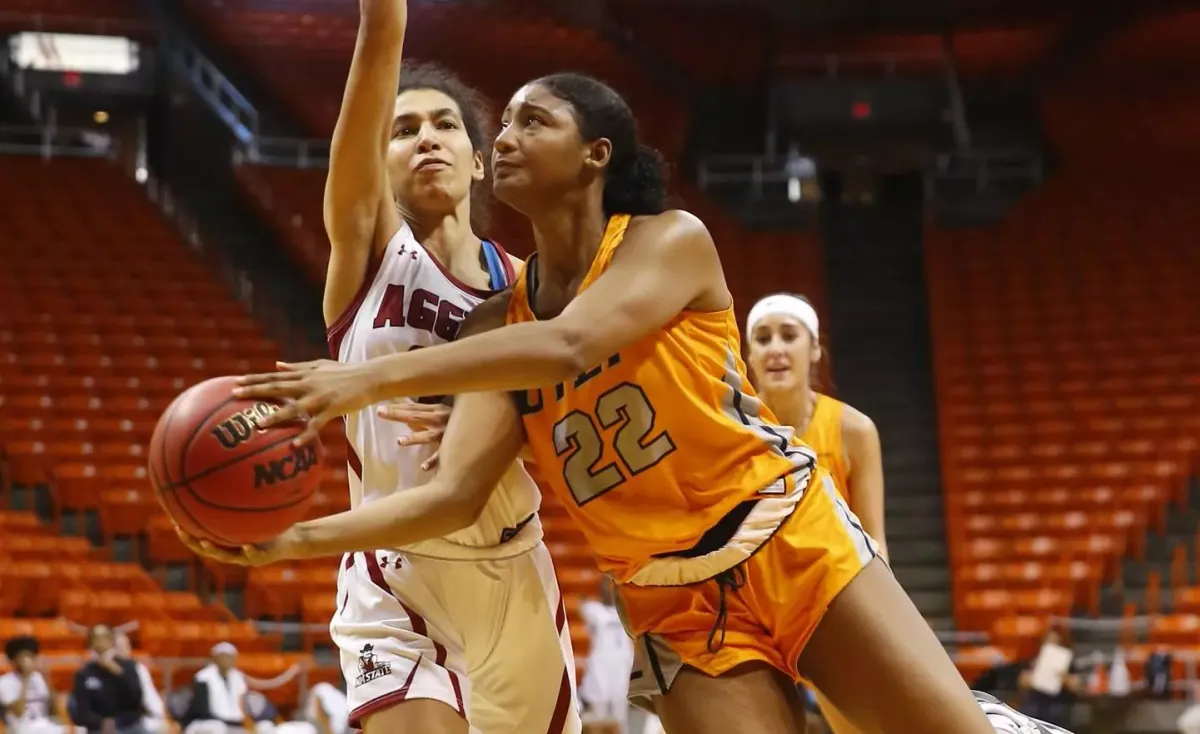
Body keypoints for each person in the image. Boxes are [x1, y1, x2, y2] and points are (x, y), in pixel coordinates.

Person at [221, 73, 1000, 733]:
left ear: (596, 155)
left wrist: (360, 380)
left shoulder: (669, 241)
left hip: (786, 539)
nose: (506, 137)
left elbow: (571, 344)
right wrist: (296, 539)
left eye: (535, 120)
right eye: (506, 126)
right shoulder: (498, 324)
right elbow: (453, 495)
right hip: (671, 605)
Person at [181, 2, 578, 733]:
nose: (425, 137)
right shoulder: (368, 254)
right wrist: (381, 18)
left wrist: (485, 422)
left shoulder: (530, 291)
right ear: (380, 165)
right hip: (393, 577)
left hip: (513, 571)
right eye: (403, 130)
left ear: (479, 159)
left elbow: (566, 445)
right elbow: (382, 38)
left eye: (444, 125)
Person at [745, 293, 886, 734]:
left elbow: (876, 545)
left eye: (789, 335)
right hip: (757, 617)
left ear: (816, 349)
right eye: (763, 339)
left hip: (833, 611)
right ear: (748, 356)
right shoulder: (731, 431)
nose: (776, 348)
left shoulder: (855, 430)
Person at [578, 577, 634, 732]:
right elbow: (582, 606)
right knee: (599, 711)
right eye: (604, 587)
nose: (608, 591)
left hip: (622, 665)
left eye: (611, 587)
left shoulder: (626, 611)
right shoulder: (593, 609)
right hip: (600, 665)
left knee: (620, 712)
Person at [71, 625, 145, 734]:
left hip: (129, 726)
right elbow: (82, 712)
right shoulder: (84, 674)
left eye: (104, 638)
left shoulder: (129, 667)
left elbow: (136, 701)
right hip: (98, 728)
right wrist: (104, 724)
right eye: (96, 638)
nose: (100, 643)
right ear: (90, 644)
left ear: (112, 641)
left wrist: (118, 672)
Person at [0, 636, 64, 734]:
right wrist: (25, 679)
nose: (28, 661)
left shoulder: (38, 677)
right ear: (13, 660)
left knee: (81, 730)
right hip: (21, 728)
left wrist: (47, 678)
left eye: (31, 656)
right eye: (24, 657)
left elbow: (53, 710)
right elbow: (18, 712)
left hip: (44, 724)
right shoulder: (4, 681)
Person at [113, 631, 166, 733]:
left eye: (125, 646)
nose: (124, 650)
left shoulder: (138, 669)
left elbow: (152, 701)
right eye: (119, 647)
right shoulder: (96, 671)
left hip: (131, 723)